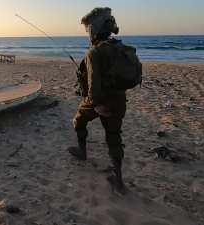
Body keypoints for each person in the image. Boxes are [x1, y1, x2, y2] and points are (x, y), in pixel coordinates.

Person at [67, 7, 128, 194]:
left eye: (88, 30)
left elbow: (93, 85)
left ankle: (82, 151)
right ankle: (118, 180)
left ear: (94, 29)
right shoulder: (119, 47)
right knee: (114, 137)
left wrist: (97, 105)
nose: (87, 33)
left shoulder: (94, 53)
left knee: (78, 120)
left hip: (99, 102)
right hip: (119, 101)